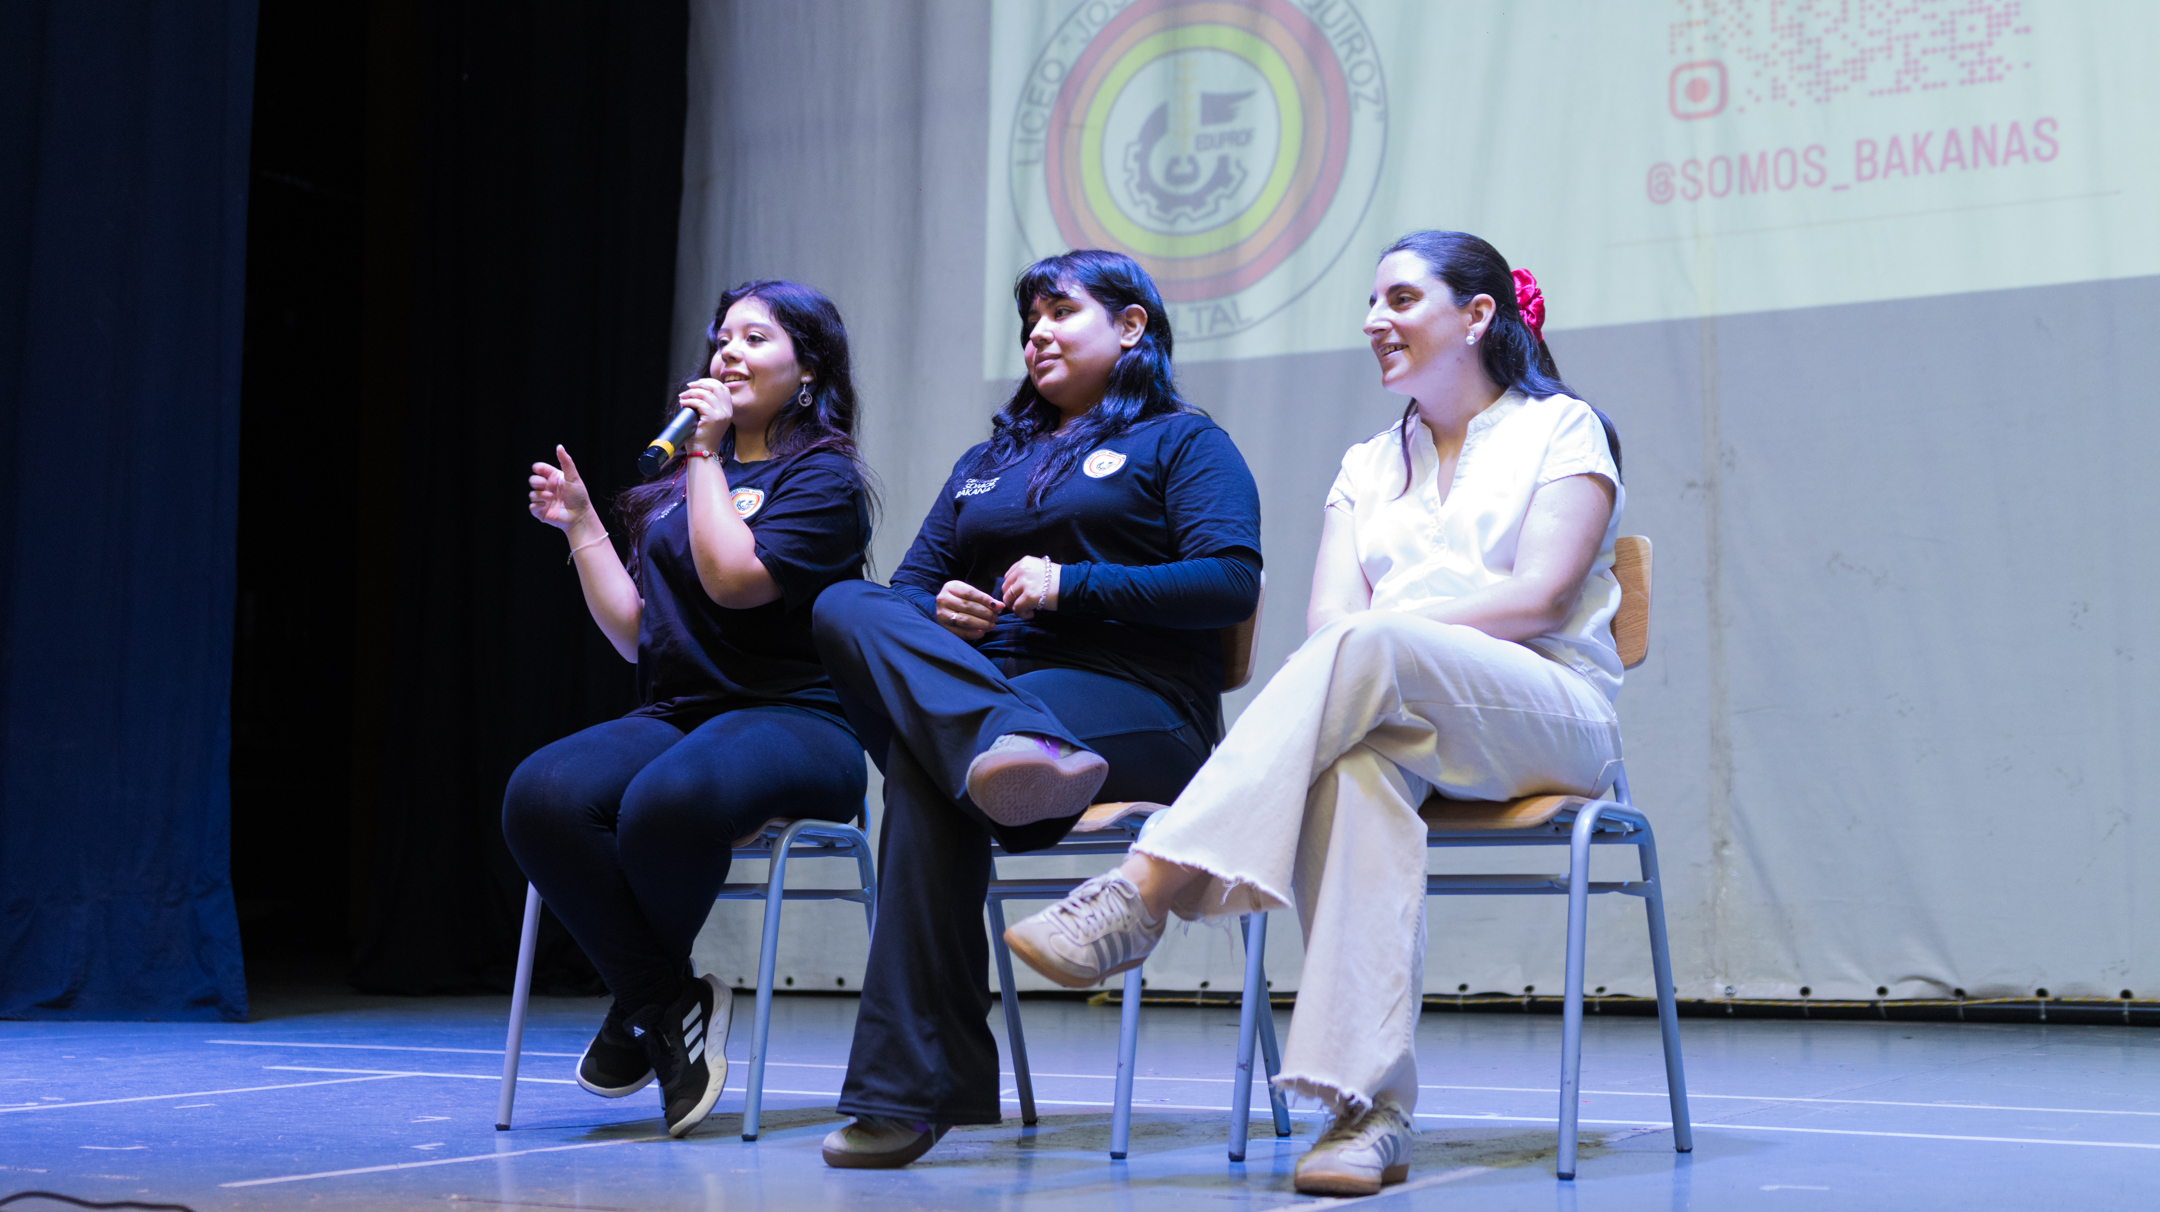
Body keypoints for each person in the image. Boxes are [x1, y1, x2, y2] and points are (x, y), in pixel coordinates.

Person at [1004, 231, 1628, 1197]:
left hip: (1547, 712)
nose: (1376, 321)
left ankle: (1148, 886)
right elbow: (1329, 622)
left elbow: (1540, 600)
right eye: (1372, 303)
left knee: (1368, 647)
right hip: (1396, 718)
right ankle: (1365, 1107)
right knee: (1351, 771)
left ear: (1477, 315)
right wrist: (1379, 639)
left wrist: (1392, 631)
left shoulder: (1563, 428)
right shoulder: (1367, 464)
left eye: (1402, 300)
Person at [810, 249, 1262, 1168]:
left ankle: (912, 1094)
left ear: (1132, 326)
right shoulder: (988, 462)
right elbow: (902, 592)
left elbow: (1230, 580)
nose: (1037, 336)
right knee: (841, 604)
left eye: (1060, 313)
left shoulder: (1183, 442)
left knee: (923, 774)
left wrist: (1074, 585)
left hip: (1140, 709)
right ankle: (999, 740)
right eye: (1028, 324)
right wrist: (942, 612)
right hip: (997, 709)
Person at [501, 280, 875, 1139]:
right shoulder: (681, 484)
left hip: (799, 718)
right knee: (542, 793)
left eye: (755, 338)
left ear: (808, 370)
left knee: (668, 798)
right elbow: (638, 635)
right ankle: (664, 1000)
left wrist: (704, 455)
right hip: (680, 712)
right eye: (721, 340)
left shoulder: (823, 476)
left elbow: (738, 584)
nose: (728, 354)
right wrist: (585, 525)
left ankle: (641, 1006)